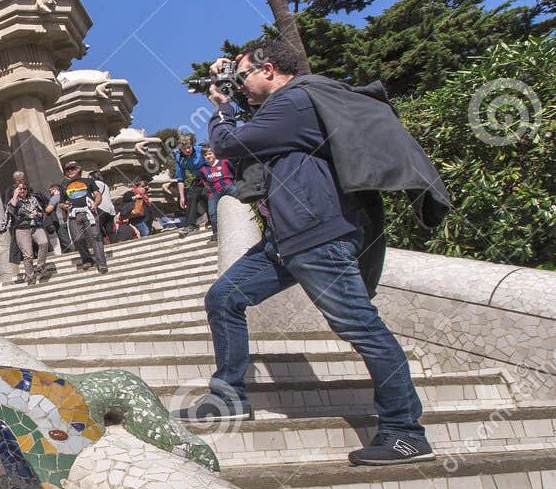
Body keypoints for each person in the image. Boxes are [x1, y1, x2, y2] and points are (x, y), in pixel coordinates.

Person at [181, 39, 433, 466]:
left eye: (243, 76)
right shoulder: (289, 108)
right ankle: (230, 396)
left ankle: (405, 432)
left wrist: (220, 108)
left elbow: (229, 145)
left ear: (271, 70)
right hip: (287, 240)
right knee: (224, 297)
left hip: (317, 238)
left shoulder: (295, 101)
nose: (239, 85)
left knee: (362, 328)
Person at [48, 160, 107, 274]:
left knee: (95, 237)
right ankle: (87, 259)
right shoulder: (64, 185)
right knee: (77, 239)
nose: (70, 171)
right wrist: (64, 206)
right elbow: (60, 203)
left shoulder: (89, 181)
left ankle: (101, 263)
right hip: (74, 215)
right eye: (68, 170)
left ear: (79, 169)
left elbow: (98, 195)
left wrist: (95, 203)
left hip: (88, 212)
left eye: (73, 168)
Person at [0, 172, 52, 285]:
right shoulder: (12, 199)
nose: (22, 190)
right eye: (20, 189)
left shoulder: (33, 199)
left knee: (44, 242)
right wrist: (15, 194)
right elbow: (11, 209)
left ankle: (40, 265)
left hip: (35, 226)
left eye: (24, 188)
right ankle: (30, 277)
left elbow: (41, 212)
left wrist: (37, 213)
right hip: (21, 228)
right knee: (27, 255)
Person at [197, 145, 235, 238]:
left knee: (240, 194)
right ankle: (216, 233)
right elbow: (205, 182)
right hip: (214, 190)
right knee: (212, 213)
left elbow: (234, 172)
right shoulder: (203, 169)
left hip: (227, 185)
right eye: (205, 155)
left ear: (214, 154)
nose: (208, 156)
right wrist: (210, 189)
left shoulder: (224, 161)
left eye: (210, 153)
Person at [172, 137, 207, 231]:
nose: (188, 150)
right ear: (180, 149)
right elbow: (180, 179)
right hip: (199, 179)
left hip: (210, 176)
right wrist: (182, 197)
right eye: (184, 149)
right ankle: (191, 224)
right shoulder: (179, 158)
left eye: (189, 147)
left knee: (205, 194)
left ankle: (212, 220)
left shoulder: (200, 150)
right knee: (191, 196)